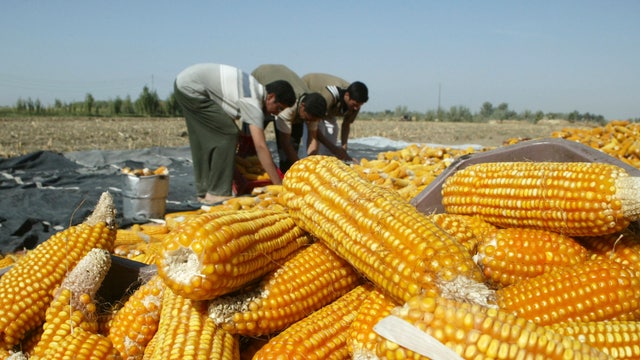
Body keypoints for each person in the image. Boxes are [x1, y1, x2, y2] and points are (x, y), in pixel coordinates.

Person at [174, 63, 296, 204]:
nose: (276, 113)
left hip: (186, 84)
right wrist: (279, 186)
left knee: (205, 140)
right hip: (192, 88)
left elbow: (224, 112)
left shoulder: (253, 88)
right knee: (228, 135)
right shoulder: (253, 100)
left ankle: (204, 192)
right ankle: (217, 193)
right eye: (278, 107)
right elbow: (261, 146)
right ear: (270, 97)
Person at [251, 64, 327, 172]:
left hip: (289, 97)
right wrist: (300, 167)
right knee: (253, 139)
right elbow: (285, 143)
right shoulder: (287, 108)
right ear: (302, 107)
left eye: (311, 121)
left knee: (293, 147)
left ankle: (286, 174)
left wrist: (311, 164)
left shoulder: (314, 107)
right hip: (263, 78)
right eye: (308, 119)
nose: (309, 122)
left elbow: (313, 138)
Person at [301, 73, 369, 161]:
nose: (356, 108)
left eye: (359, 106)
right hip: (311, 97)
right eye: (354, 105)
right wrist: (333, 148)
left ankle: (326, 165)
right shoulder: (331, 94)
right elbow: (313, 123)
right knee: (317, 140)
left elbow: (346, 124)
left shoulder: (356, 105)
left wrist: (343, 150)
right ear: (347, 96)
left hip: (328, 111)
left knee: (333, 131)